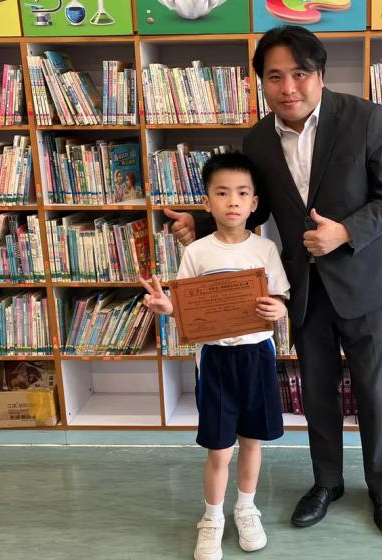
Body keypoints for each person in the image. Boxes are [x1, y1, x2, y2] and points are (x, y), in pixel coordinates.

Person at [164, 25, 382, 536]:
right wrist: (201, 223)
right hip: (302, 287)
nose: (288, 87)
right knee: (317, 389)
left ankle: (381, 486)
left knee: (372, 390)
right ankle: (326, 482)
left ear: (320, 74)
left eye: (299, 74)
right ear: (262, 82)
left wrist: (345, 231)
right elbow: (255, 207)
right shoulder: (257, 139)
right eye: (274, 77)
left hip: (365, 280)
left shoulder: (364, 117)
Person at [140, 152, 290, 560]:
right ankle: (211, 518)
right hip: (215, 360)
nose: (232, 201)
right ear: (207, 203)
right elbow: (185, 306)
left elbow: (279, 298)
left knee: (252, 442)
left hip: (257, 356)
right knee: (219, 449)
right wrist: (167, 307)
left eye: (241, 193)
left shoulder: (265, 249)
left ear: (254, 202)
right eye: (222, 193)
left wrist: (279, 308)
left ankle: (246, 509)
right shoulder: (197, 252)